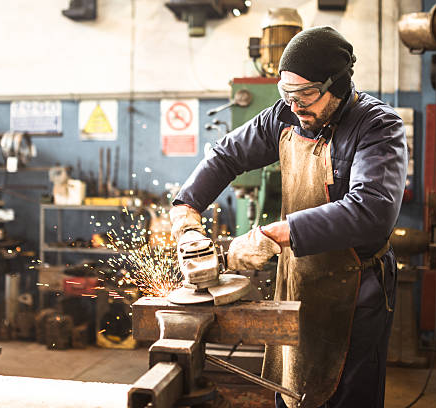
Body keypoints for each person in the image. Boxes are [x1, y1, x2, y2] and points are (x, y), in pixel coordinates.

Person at [169, 26, 407, 408]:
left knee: (346, 396)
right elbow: (227, 155)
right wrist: (186, 207)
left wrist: (272, 235)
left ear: (339, 85)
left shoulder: (377, 126)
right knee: (293, 392)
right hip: (298, 279)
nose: (295, 105)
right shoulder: (286, 116)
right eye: (286, 93)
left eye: (307, 94)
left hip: (356, 288)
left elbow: (372, 209)